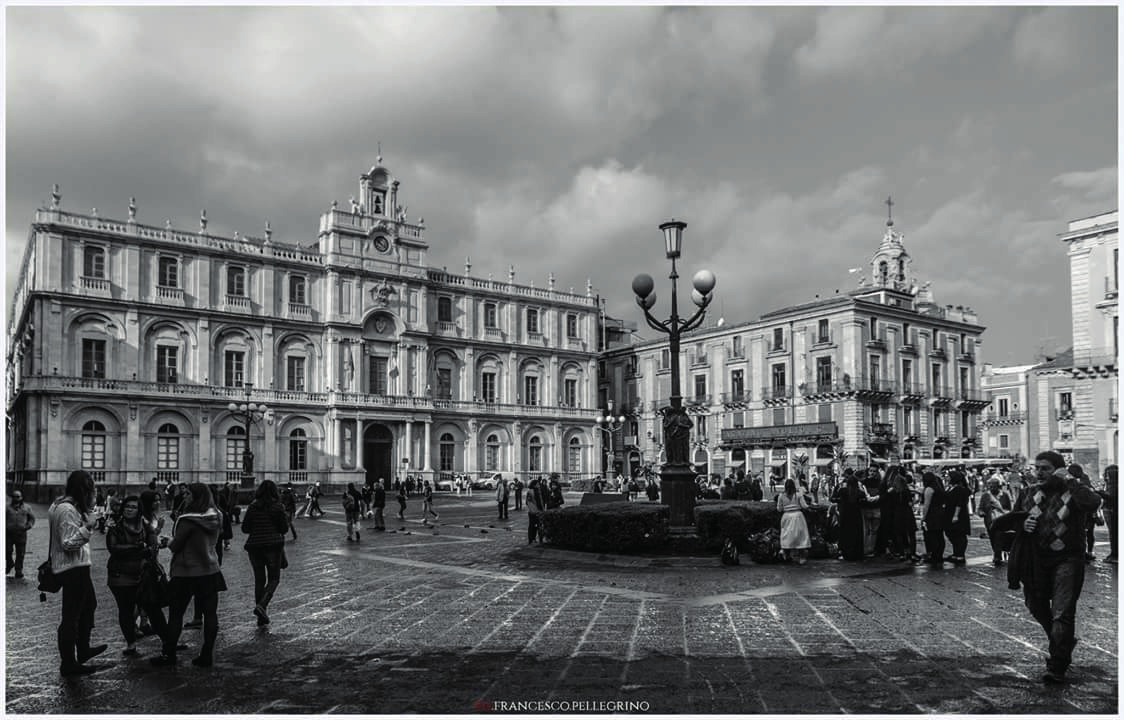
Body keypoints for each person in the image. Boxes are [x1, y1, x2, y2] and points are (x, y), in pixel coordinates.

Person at [1012, 451, 1103, 684]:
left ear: (1059, 469)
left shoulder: (1073, 492)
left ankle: (1057, 664)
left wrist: (1071, 481)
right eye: (1037, 468)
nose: (1040, 472)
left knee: (1062, 612)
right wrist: (1024, 524)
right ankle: (1061, 641)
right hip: (1036, 559)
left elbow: (1093, 503)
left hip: (1068, 559)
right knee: (1035, 604)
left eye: (1046, 468)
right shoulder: (1028, 492)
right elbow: (1014, 521)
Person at [150, 483, 226, 668]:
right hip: (210, 569)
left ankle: (169, 655)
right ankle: (207, 654)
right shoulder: (217, 515)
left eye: (189, 494)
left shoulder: (187, 520)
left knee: (176, 615)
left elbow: (176, 546)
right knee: (210, 615)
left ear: (197, 496)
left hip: (186, 571)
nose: (186, 496)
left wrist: (167, 540)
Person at [49, 470, 108, 675]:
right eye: (91, 489)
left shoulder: (61, 504)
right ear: (84, 489)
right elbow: (68, 543)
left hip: (76, 566)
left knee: (89, 604)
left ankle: (83, 649)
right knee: (70, 617)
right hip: (72, 567)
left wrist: (87, 514)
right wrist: (88, 527)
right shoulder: (66, 509)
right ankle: (69, 663)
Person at [105, 495, 164, 656]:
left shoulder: (145, 526)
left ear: (139, 510)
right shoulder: (115, 527)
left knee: (152, 608)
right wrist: (138, 547)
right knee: (126, 610)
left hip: (143, 573)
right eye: (127, 507)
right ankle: (131, 644)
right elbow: (114, 548)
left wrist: (145, 547)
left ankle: (168, 641)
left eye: (133, 507)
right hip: (120, 575)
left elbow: (152, 547)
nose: (129, 510)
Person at [241, 480, 288, 627]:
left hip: (254, 547)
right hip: (273, 547)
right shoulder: (278, 507)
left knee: (259, 580)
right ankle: (262, 606)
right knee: (274, 579)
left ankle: (261, 617)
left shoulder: (253, 506)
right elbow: (284, 529)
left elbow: (245, 528)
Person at [831, 470, 867, 561]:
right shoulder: (859, 492)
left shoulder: (843, 491)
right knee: (856, 534)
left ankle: (846, 553)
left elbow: (833, 498)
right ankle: (857, 553)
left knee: (845, 534)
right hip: (856, 515)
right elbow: (865, 499)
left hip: (845, 515)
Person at [777, 479, 811, 565]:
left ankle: (786, 554)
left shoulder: (781, 496)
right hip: (798, 516)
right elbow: (804, 506)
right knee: (800, 537)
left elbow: (779, 509)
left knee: (786, 536)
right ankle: (801, 557)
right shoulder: (798, 495)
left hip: (786, 516)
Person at [977, 478, 1009, 566]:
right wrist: (981, 512)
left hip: (1001, 520)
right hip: (989, 521)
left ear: (998, 486)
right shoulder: (985, 496)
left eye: (994, 486)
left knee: (999, 536)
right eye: (990, 487)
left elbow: (1009, 508)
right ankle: (997, 552)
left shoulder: (1004, 495)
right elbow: (980, 508)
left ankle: (997, 555)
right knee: (993, 538)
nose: (991, 488)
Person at [943, 470, 971, 565]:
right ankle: (956, 553)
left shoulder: (959, 489)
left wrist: (956, 515)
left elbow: (959, 503)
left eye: (948, 476)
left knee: (959, 535)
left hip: (958, 515)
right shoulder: (950, 487)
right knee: (951, 533)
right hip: (949, 513)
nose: (946, 477)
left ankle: (960, 555)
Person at [7, 489, 36, 578]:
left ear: (21, 497)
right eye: (14, 496)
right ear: (12, 498)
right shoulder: (6, 507)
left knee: (20, 553)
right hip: (8, 534)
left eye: (18, 496)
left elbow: (32, 518)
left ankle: (18, 570)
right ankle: (10, 562)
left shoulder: (27, 507)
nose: (16, 498)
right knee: (7, 551)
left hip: (21, 534)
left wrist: (28, 526)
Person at [920, 471, 946, 567]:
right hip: (940, 513)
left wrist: (923, 517)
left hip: (932, 514)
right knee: (939, 536)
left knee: (932, 535)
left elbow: (926, 505)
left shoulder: (929, 489)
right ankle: (939, 555)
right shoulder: (939, 488)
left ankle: (934, 555)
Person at [1098, 465, 1117, 563]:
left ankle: (1115, 554)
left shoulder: (1114, 484)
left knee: (1114, 533)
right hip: (1110, 511)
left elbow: (1111, 497)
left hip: (1112, 511)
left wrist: (1100, 492)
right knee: (1113, 533)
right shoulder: (1111, 484)